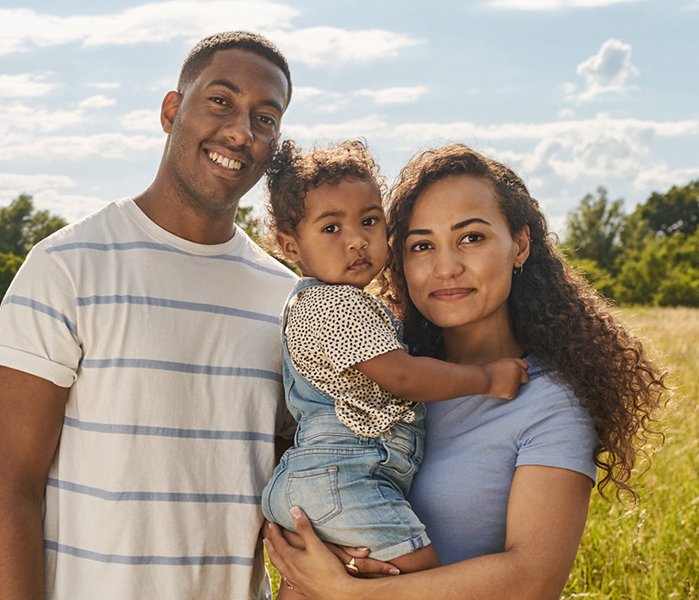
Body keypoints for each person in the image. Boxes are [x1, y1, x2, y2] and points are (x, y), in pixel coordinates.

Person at [263, 144, 669, 599]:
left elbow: (533, 582)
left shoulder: (551, 404)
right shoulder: (378, 374)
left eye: (471, 237)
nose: (447, 267)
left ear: (520, 244)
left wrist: (352, 593)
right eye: (422, 245)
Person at [0, 32, 297, 599]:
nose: (240, 131)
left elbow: (293, 482)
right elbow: (11, 490)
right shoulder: (67, 266)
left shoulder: (291, 301)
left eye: (265, 118)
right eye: (220, 101)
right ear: (172, 110)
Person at [261, 140, 529, 594]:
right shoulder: (335, 305)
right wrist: (487, 378)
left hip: (323, 481)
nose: (356, 240)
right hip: (342, 476)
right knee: (424, 578)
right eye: (331, 228)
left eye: (369, 221)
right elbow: (403, 376)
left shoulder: (332, 304)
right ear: (290, 245)